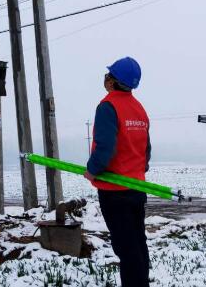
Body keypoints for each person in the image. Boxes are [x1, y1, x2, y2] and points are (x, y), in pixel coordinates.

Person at [84, 57, 151, 287]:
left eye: (108, 75)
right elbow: (146, 150)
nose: (105, 79)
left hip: (114, 191)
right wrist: (138, 171)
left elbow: (105, 147)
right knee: (137, 244)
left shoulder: (108, 106)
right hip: (137, 188)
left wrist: (92, 170)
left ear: (113, 81)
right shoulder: (139, 109)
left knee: (126, 248)